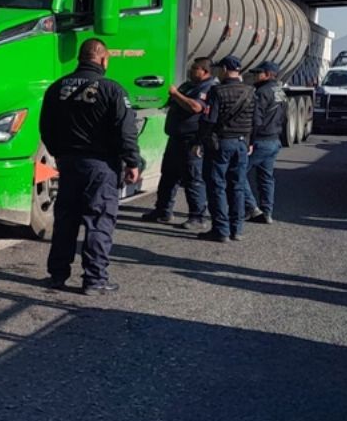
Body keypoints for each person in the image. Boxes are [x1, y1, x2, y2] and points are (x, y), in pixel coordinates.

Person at [39, 38, 140, 295]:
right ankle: (95, 279)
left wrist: (58, 153)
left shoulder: (57, 87)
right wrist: (132, 161)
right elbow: (126, 130)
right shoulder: (112, 89)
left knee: (66, 220)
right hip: (101, 167)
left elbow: (46, 127)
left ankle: (57, 275)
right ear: (103, 59)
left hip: (68, 163)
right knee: (99, 221)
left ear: (81, 58)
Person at [142, 57, 216, 230]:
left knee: (192, 178)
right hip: (176, 137)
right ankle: (163, 211)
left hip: (192, 140)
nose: (190, 71)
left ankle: (197, 216)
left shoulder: (208, 88)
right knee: (168, 175)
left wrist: (176, 94)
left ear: (204, 71)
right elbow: (168, 100)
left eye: (194, 68)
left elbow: (195, 108)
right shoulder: (187, 85)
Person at [196, 55, 255, 242]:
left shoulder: (217, 91)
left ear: (223, 70)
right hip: (242, 143)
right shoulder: (250, 91)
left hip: (220, 144)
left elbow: (209, 120)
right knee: (237, 186)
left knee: (216, 186)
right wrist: (250, 142)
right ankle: (236, 229)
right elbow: (256, 120)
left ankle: (221, 230)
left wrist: (199, 142)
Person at [243, 61, 288, 224]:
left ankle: (251, 208)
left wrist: (250, 141)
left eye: (259, 73)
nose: (255, 75)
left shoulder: (261, 92)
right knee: (266, 178)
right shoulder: (280, 91)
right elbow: (284, 117)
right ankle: (267, 212)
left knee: (238, 173)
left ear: (268, 74)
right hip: (273, 140)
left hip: (260, 140)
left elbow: (256, 119)